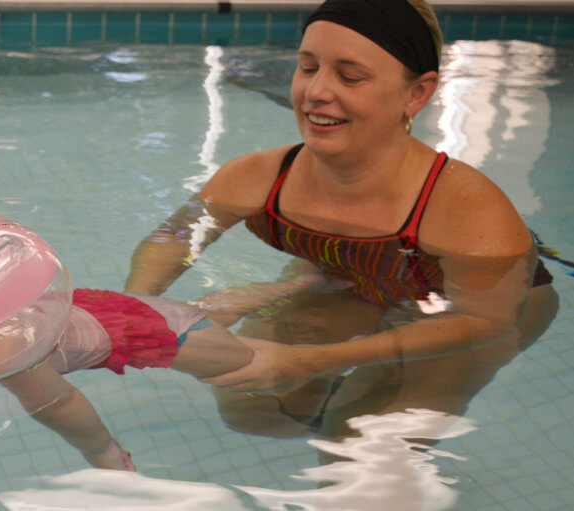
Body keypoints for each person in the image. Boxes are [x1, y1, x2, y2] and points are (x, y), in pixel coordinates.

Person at [124, 0, 559, 440]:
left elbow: (485, 320)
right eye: (308, 67)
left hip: (469, 312)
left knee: (356, 441)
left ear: (417, 94)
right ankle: (359, 395)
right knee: (255, 409)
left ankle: (380, 424)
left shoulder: (467, 209)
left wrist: (310, 361)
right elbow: (175, 238)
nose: (315, 92)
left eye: (350, 76)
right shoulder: (258, 178)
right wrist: (139, 307)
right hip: (353, 281)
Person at [0, 164, 326, 471]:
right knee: (202, 315)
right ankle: (272, 293)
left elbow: (60, 401)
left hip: (127, 330)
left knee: (238, 365)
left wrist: (104, 452)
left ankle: (304, 286)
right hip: (71, 318)